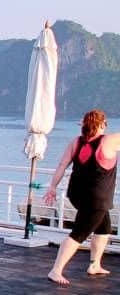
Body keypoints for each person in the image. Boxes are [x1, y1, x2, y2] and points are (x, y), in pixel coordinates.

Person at [43, 109, 119, 285]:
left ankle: (95, 264)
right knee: (79, 233)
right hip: (97, 198)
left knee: (104, 228)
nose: (106, 127)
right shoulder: (108, 141)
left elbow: (62, 165)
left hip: (77, 195)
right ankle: (56, 270)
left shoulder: (76, 142)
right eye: (105, 124)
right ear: (101, 124)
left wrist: (53, 187)